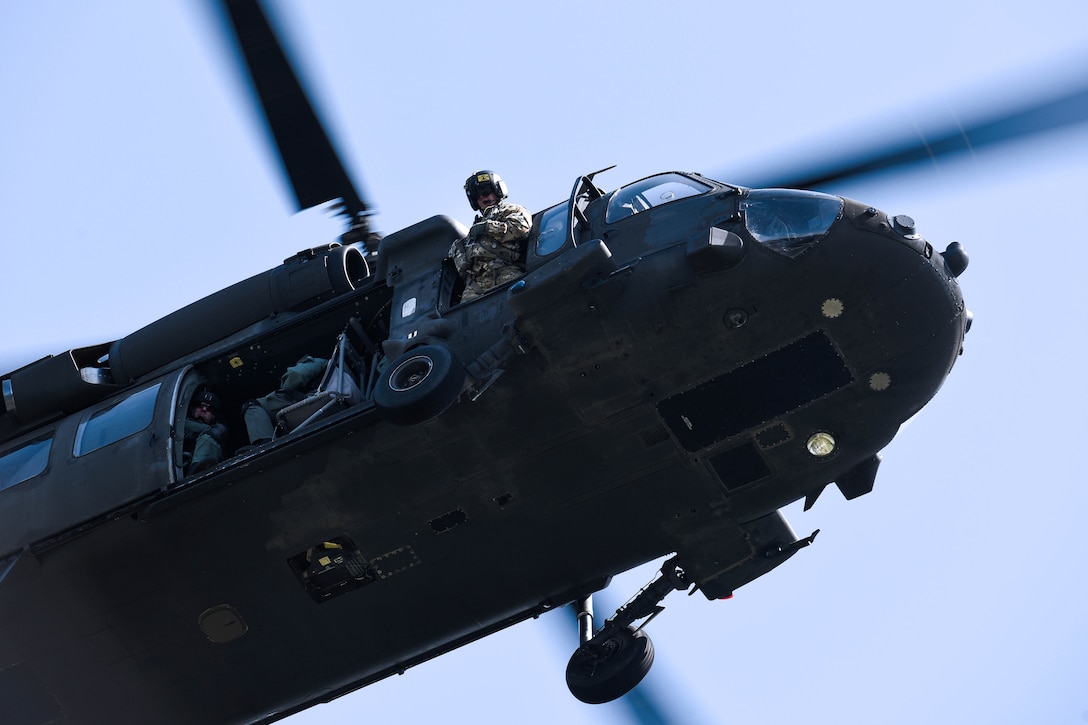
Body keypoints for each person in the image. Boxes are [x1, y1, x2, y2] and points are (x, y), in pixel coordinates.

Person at [449, 170, 532, 301]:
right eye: (478, 195)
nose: (483, 197)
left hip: (505, 272)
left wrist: (488, 227)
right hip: (476, 284)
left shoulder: (511, 210)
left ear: (498, 190)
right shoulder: (473, 229)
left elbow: (521, 228)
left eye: (487, 191)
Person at [241, 355, 329, 445]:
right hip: (319, 401)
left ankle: (263, 446)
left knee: (252, 405)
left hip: (315, 399)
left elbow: (294, 377)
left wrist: (286, 387)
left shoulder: (317, 362)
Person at [184, 389, 229, 474]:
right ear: (192, 408)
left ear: (213, 416)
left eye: (209, 408)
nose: (204, 409)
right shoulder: (178, 424)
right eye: (200, 405)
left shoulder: (215, 432)